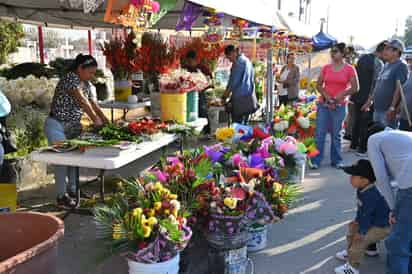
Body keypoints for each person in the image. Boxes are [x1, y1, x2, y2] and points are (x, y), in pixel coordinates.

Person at [45, 54, 109, 207]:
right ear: (80, 68)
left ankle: (74, 190)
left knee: (75, 160)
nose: (92, 76)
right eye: (90, 72)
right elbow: (82, 100)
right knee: (61, 161)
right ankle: (61, 196)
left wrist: (108, 123)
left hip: (73, 127)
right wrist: (96, 121)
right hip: (57, 125)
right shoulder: (70, 78)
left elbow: (94, 105)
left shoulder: (87, 84)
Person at [334, 159, 390, 274]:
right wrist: (356, 221)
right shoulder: (362, 189)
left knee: (359, 240)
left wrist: (361, 232)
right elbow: (362, 210)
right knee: (352, 229)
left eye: (354, 176)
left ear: (365, 180)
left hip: (382, 226)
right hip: (372, 221)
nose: (350, 178)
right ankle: (368, 249)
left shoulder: (371, 194)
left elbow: (366, 215)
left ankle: (352, 267)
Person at [368, 129, 412, 274]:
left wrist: (393, 208)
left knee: (398, 242)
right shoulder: (402, 135)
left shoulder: (374, 139)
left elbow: (381, 177)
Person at [312, 43, 359, 169]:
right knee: (319, 134)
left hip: (340, 105)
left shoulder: (349, 69)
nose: (332, 53)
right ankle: (316, 160)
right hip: (324, 105)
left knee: (336, 134)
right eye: (332, 51)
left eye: (336, 51)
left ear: (343, 53)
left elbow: (355, 87)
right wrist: (327, 96)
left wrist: (342, 94)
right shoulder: (326, 68)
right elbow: (318, 85)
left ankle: (336, 160)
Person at [350, 41, 385, 156]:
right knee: (365, 124)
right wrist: (370, 100)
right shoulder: (378, 62)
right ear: (382, 51)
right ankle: (361, 148)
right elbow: (375, 83)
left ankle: (353, 144)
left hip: (357, 96)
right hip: (367, 98)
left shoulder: (362, 58)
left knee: (356, 121)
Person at [365, 39, 409, 128]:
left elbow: (399, 89)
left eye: (388, 48)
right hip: (378, 109)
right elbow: (378, 84)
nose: (384, 51)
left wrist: (392, 108)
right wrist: (370, 101)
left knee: (387, 139)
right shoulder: (386, 65)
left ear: (397, 52)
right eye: (385, 48)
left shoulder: (401, 66)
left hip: (388, 112)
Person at [222, 45, 258, 125]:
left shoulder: (238, 64)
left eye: (229, 57)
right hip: (249, 98)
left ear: (233, 53)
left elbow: (233, 83)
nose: (230, 60)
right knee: (245, 125)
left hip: (240, 101)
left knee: (237, 127)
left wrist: (224, 97)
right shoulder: (247, 61)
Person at [182, 50, 213, 133]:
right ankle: (191, 132)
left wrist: (203, 85)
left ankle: (207, 132)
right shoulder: (185, 68)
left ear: (196, 60)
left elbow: (210, 81)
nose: (189, 63)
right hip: (187, 95)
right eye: (188, 61)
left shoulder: (202, 68)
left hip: (200, 94)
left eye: (191, 61)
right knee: (189, 115)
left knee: (202, 112)